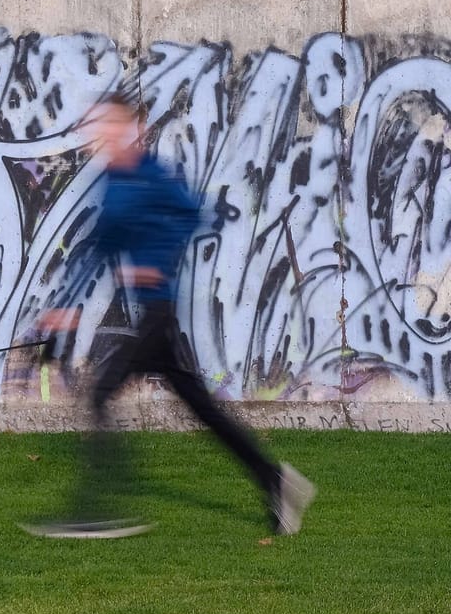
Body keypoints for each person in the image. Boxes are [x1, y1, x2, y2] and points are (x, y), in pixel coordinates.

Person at [27, 96, 314, 540]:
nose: (93, 133)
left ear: (127, 127)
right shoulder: (114, 180)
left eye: (103, 123)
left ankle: (97, 511)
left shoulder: (150, 176)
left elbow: (191, 215)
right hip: (152, 319)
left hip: (157, 311)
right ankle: (274, 479)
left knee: (100, 394)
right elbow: (99, 249)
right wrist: (65, 307)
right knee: (201, 408)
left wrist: (156, 263)